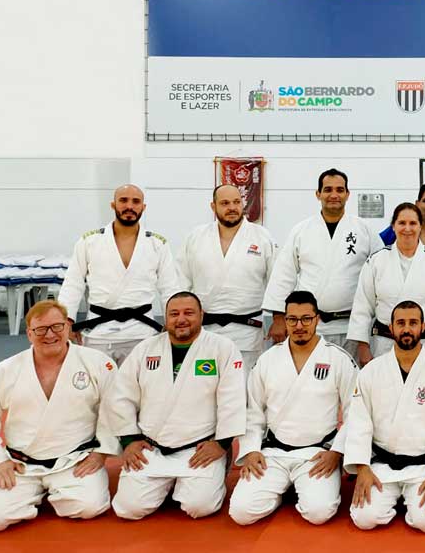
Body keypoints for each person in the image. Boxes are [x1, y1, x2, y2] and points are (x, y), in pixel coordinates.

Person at [0, 300, 119, 533]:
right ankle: (34, 493)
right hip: (21, 465)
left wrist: (101, 453)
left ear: (68, 327)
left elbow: (114, 410)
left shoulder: (98, 363)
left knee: (90, 507)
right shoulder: (7, 369)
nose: (50, 334)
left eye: (57, 326)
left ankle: (50, 493)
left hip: (74, 461)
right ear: (29, 334)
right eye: (40, 329)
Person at [107, 291, 246, 520]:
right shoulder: (146, 349)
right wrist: (129, 440)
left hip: (199, 448)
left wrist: (221, 443)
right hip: (151, 449)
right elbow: (122, 395)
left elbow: (233, 398)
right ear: (166, 319)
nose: (181, 319)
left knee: (200, 507)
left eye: (189, 313)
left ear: (202, 315)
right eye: (174, 314)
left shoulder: (222, 348)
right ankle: (172, 484)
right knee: (128, 509)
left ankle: (213, 470)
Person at [229, 290, 358, 526]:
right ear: (284, 320)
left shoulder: (338, 359)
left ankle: (304, 485)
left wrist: (336, 453)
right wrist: (251, 450)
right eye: (292, 319)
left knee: (319, 513)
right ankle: (279, 490)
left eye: (306, 318)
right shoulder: (268, 360)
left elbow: (355, 412)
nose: (299, 325)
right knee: (241, 512)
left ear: (317, 319)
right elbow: (253, 411)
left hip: (317, 454)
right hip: (273, 453)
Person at [342, 301, 425, 532]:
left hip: (424, 466)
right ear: (391, 327)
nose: (407, 329)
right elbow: (359, 422)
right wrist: (363, 468)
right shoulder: (372, 371)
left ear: (423, 327)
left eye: (413, 323)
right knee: (364, 518)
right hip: (382, 464)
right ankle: (398, 500)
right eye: (401, 323)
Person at [263, 169, 383, 354]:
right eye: (328, 190)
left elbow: (380, 274)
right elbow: (283, 275)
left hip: (352, 326)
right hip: (311, 326)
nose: (334, 195)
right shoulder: (301, 230)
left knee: (349, 380)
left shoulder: (364, 230)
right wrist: (279, 318)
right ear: (318, 194)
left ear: (347, 194)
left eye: (339, 190)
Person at [58, 184, 182, 363]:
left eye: (136, 201)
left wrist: (174, 321)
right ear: (113, 205)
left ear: (143, 207)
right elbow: (73, 284)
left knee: (140, 388)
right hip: (98, 331)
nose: (129, 206)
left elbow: (169, 287)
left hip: (142, 331)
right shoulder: (89, 241)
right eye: (123, 200)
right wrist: (66, 320)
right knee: (98, 386)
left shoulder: (157, 244)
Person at [348, 203, 425, 367]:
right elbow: (362, 306)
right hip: (386, 342)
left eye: (413, 223)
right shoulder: (376, 261)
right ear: (393, 226)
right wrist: (363, 347)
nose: (407, 228)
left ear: (421, 226)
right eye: (402, 223)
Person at [178, 184, 276, 371]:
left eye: (236, 202)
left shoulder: (262, 237)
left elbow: (277, 281)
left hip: (248, 329)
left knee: (245, 388)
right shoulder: (196, 237)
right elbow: (180, 281)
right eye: (225, 203)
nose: (232, 207)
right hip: (205, 330)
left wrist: (279, 318)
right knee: (205, 387)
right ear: (213, 207)